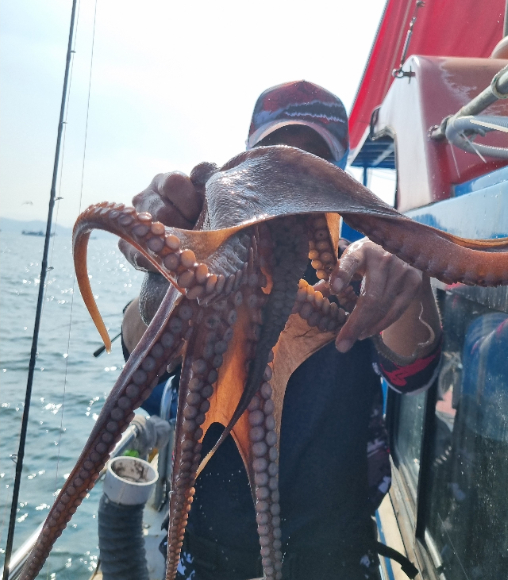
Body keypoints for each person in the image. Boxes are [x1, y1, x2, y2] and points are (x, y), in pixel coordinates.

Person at [120, 81, 442, 580]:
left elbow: (413, 372)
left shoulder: (360, 270)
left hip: (334, 556)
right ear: (248, 164)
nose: (291, 174)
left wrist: (409, 283)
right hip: (202, 553)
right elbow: (142, 357)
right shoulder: (208, 257)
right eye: (275, 157)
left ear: (337, 176)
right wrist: (159, 273)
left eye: (312, 160)